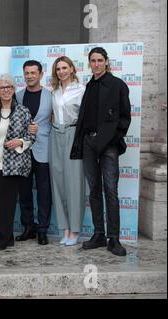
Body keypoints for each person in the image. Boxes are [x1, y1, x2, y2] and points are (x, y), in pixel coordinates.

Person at [71, 47, 131, 256]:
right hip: (88, 143)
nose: (96, 64)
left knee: (111, 190)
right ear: (90, 63)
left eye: (99, 60)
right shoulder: (89, 86)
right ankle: (99, 234)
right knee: (94, 190)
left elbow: (124, 118)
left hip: (109, 145)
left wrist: (111, 139)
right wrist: (84, 141)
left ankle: (114, 239)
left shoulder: (118, 85)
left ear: (106, 61)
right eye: (92, 61)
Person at [0, 74, 35, 252]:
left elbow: (31, 136)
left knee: (6, 205)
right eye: (1, 88)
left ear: (13, 90)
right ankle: (7, 238)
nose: (6, 90)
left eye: (9, 87)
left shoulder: (23, 111)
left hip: (13, 164)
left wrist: (20, 142)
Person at [49, 56, 86, 246]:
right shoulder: (53, 92)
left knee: (74, 184)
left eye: (64, 67)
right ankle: (65, 229)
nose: (61, 71)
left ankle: (75, 230)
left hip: (73, 134)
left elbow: (86, 118)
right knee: (58, 184)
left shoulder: (81, 90)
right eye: (58, 69)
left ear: (72, 69)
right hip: (56, 135)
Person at [15, 60, 52, 245]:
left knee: (44, 191)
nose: (29, 76)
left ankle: (43, 229)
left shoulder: (51, 96)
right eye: (27, 73)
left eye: (33, 73)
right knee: (24, 191)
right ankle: (28, 227)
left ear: (40, 74)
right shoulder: (18, 96)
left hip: (44, 148)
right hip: (22, 150)